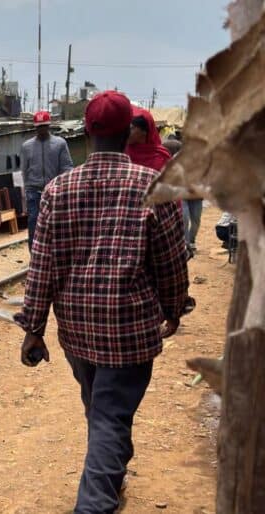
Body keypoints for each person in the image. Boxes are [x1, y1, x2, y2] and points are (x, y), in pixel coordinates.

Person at [15, 90, 189, 513]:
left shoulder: (58, 191)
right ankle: (96, 503)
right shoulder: (153, 187)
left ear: (87, 132)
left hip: (77, 332)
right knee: (110, 416)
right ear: (129, 130)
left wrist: (34, 330)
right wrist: (173, 307)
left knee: (101, 411)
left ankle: (111, 480)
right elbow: (171, 262)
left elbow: (43, 268)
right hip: (129, 331)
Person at [20, 110, 74, 247]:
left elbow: (67, 167)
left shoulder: (60, 144)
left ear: (49, 126)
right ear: (35, 127)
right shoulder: (26, 147)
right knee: (33, 223)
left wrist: (64, 187)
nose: (41, 129)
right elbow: (24, 170)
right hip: (34, 191)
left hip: (55, 191)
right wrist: (27, 190)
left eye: (44, 126)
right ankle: (34, 254)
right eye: (39, 127)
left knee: (57, 223)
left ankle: (55, 251)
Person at [164, 138, 204, 256]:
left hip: (196, 195)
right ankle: (186, 244)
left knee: (196, 220)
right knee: (184, 219)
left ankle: (191, 240)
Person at [126, 107, 172, 171]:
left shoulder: (161, 157)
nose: (126, 132)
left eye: (131, 128)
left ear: (144, 131)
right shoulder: (123, 152)